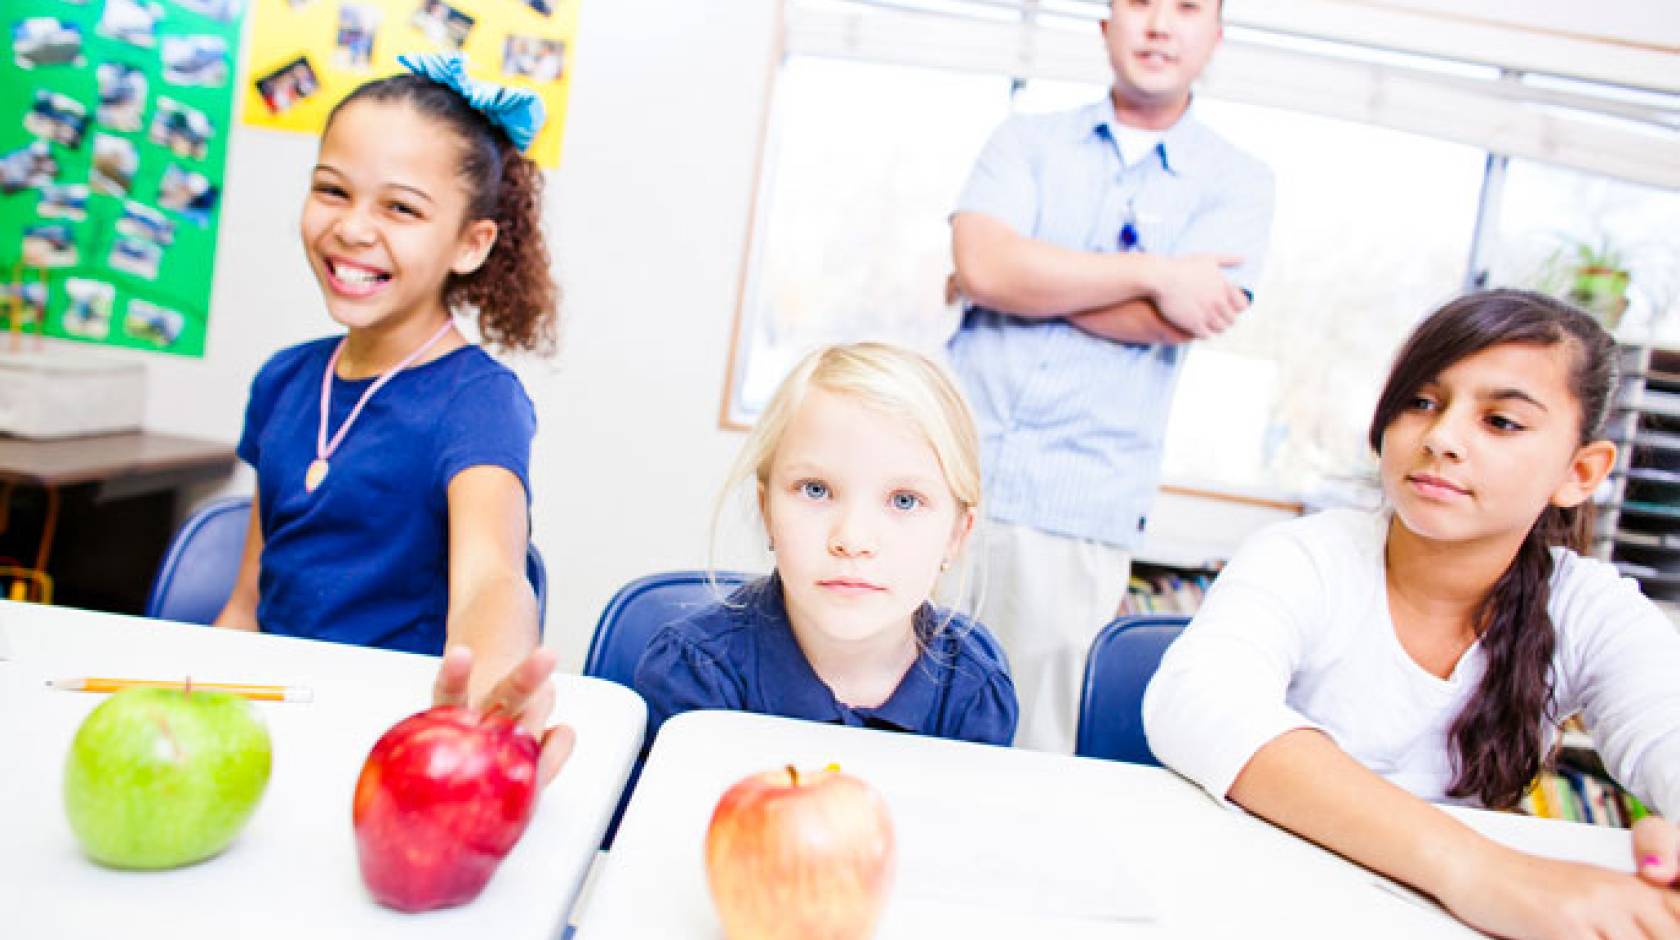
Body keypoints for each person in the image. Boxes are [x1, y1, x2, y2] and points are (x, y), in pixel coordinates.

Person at [1144, 289, 1680, 938]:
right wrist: (1482, 874)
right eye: (1422, 403)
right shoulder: (1305, 557)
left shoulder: (1590, 607)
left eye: (1501, 421)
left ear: (1581, 472)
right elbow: (1200, 703)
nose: (1442, 438)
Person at [215, 54, 570, 781]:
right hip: (268, 724)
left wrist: (490, 702)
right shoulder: (284, 379)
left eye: (400, 208)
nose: (352, 228)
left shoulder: (478, 400)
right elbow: (248, 599)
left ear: (470, 243)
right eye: (332, 190)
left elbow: (491, 577)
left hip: (390, 739)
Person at [946, 0, 1274, 752]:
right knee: (892, 712)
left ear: (1215, 36)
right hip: (944, 479)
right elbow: (986, 267)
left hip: (1080, 508)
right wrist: (1157, 272)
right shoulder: (1023, 139)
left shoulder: (1240, 181)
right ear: (1105, 25)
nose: (1159, 25)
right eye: (1139, 3)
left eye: (1187, 7)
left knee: (1034, 744)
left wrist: (1027, 277)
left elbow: (1180, 318)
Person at [634, 343, 1018, 747]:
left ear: (956, 535)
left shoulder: (975, 690)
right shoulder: (694, 676)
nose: (852, 539)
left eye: (904, 500)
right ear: (767, 512)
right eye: (815, 490)